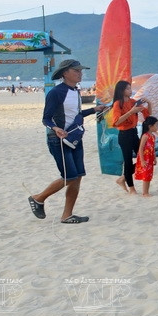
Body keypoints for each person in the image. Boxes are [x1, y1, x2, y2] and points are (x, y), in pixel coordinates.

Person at [27, 59, 104, 224]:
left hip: (75, 138)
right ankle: (38, 198)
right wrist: (55, 129)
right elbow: (46, 118)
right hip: (58, 139)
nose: (80, 73)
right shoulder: (56, 92)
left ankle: (67, 215)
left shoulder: (75, 91)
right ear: (65, 73)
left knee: (78, 177)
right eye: (76, 71)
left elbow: (75, 115)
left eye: (80, 71)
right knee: (69, 176)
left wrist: (94, 110)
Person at [110, 80, 150, 194]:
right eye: (127, 88)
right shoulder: (118, 103)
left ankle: (123, 178)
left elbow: (148, 115)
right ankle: (131, 188)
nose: (130, 90)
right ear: (122, 91)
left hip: (134, 133)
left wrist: (149, 103)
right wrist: (131, 112)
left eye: (130, 88)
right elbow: (116, 122)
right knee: (128, 161)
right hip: (124, 135)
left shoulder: (133, 102)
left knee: (143, 158)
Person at [135, 116, 158, 197]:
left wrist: (155, 158)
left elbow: (153, 148)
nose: (157, 127)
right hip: (145, 158)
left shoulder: (153, 136)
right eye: (156, 125)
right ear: (150, 126)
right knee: (146, 175)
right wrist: (142, 160)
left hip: (150, 158)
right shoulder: (145, 136)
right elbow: (141, 148)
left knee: (149, 175)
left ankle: (146, 192)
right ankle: (145, 193)